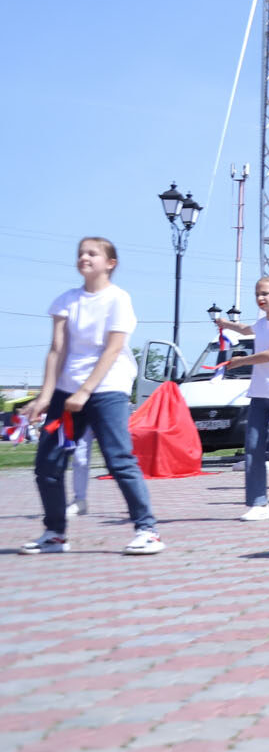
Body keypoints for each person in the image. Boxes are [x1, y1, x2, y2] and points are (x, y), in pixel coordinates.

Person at [20, 237, 163, 555]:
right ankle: (55, 534)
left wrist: (86, 391)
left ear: (110, 263)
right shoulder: (65, 301)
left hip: (107, 389)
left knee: (119, 459)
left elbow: (113, 349)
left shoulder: (118, 299)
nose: (84, 257)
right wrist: (45, 396)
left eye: (92, 253)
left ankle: (147, 530)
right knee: (48, 465)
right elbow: (57, 350)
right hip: (67, 394)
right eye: (80, 253)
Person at [214, 277, 269, 519]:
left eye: (265, 293)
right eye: (257, 294)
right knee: (252, 448)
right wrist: (225, 324)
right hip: (259, 394)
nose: (260, 298)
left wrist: (240, 361)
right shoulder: (261, 324)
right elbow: (246, 329)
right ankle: (258, 504)